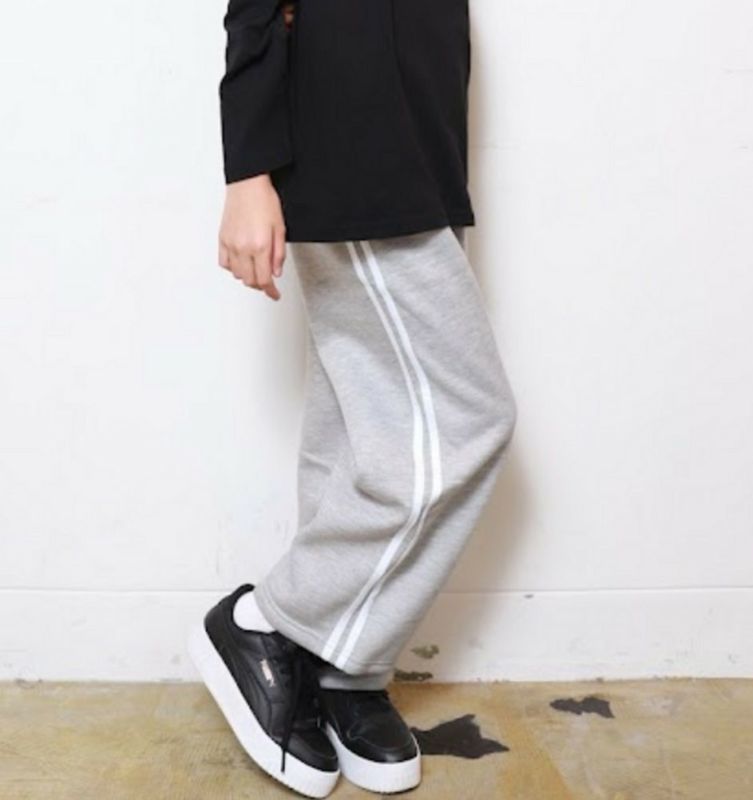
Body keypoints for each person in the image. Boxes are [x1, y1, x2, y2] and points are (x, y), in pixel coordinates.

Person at [188, 0, 517, 796]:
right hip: (354, 140)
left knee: (357, 425)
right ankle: (267, 622)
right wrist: (248, 171)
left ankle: (344, 667)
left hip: (424, 145)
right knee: (473, 418)